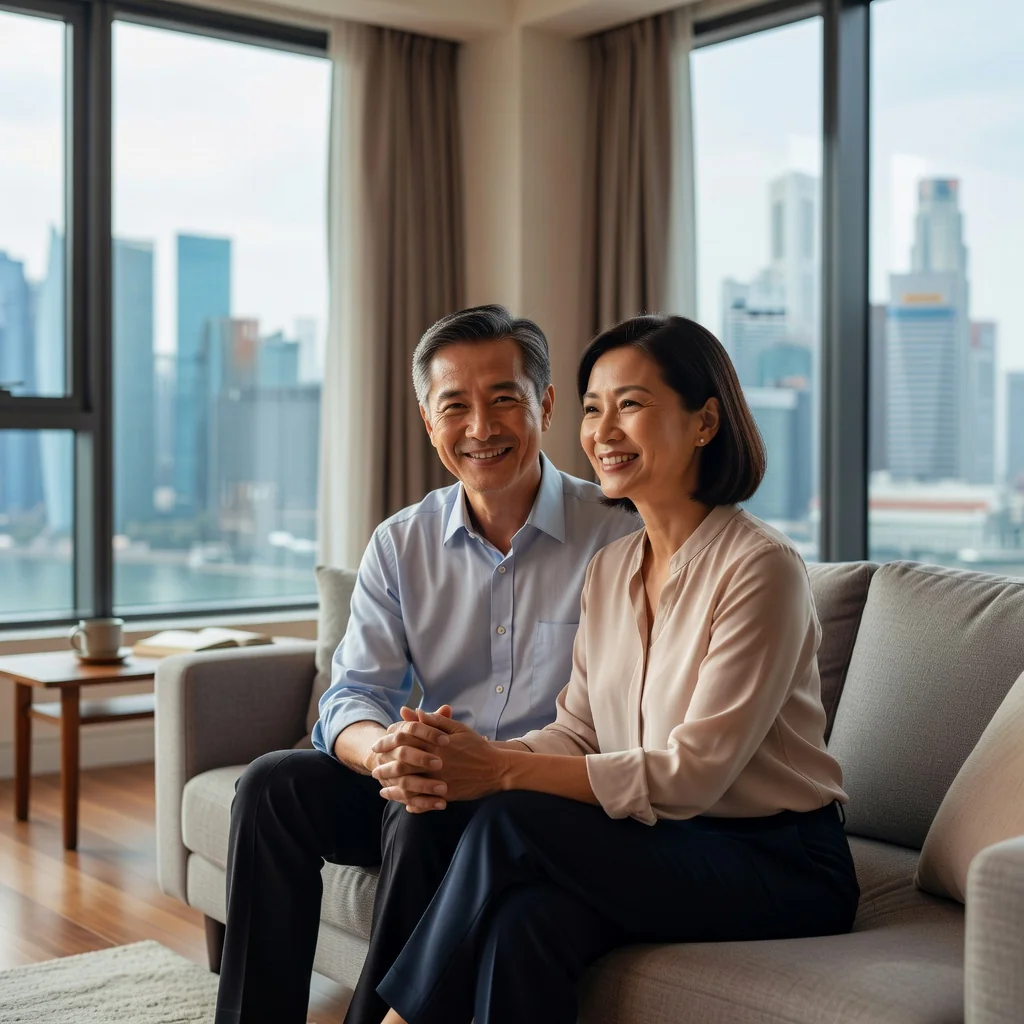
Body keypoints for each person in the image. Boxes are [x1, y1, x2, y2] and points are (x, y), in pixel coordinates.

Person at [370, 314, 861, 1024]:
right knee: (523, 924)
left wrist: (502, 773)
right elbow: (576, 731)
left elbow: (692, 774)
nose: (603, 430)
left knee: (511, 822)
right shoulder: (612, 566)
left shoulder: (760, 569)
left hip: (781, 863)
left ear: (704, 422)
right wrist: (468, 758)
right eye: (593, 408)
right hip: (668, 844)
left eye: (630, 404)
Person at [213, 305, 638, 1024]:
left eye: (505, 398)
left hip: (535, 797)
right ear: (426, 417)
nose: (481, 427)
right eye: (455, 406)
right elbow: (351, 695)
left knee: (426, 809)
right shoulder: (401, 542)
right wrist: (386, 755)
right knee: (272, 785)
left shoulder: (619, 535)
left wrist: (450, 772)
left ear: (547, 403)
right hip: (427, 781)